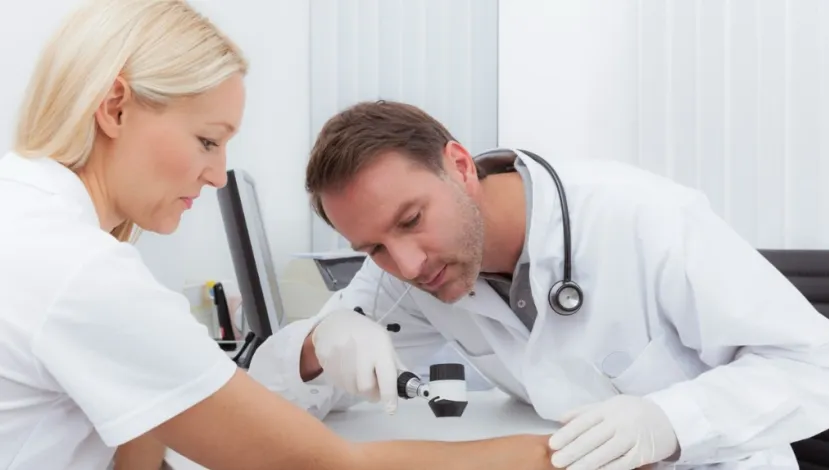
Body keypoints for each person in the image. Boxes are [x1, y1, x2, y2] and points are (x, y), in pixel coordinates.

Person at [0, 2, 559, 469]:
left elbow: (139, 442)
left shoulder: (26, 215)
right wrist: (557, 455)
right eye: (206, 140)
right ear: (116, 109)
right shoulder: (79, 270)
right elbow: (329, 465)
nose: (218, 174)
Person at [248, 99, 829, 470]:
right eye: (373, 247)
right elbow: (270, 411)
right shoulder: (410, 275)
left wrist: (670, 421)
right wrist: (315, 346)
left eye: (411, 221)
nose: (405, 264)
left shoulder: (643, 218)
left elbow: (820, 367)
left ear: (459, 167)